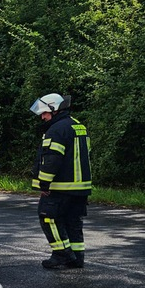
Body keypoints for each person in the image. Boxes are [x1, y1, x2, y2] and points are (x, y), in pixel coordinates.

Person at [30, 93, 92, 269]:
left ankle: (62, 254)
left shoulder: (56, 130)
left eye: (45, 113)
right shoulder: (78, 126)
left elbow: (52, 159)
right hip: (81, 187)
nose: (42, 117)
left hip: (61, 186)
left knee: (48, 217)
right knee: (73, 221)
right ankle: (77, 257)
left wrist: (44, 183)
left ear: (54, 109)